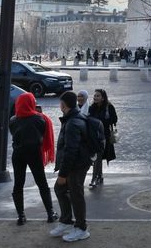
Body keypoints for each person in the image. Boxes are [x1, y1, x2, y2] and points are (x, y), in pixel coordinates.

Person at [9, 92, 58, 225]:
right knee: (42, 183)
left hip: (18, 154)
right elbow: (42, 132)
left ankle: (21, 216)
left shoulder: (13, 120)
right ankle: (50, 213)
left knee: (18, 184)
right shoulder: (40, 119)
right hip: (34, 153)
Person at [50, 91, 92, 242]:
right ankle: (66, 222)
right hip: (78, 163)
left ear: (63, 105)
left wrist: (63, 173)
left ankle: (81, 228)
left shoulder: (72, 122)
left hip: (76, 165)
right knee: (61, 189)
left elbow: (70, 150)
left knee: (76, 194)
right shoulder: (75, 117)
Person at [87, 89, 118, 188]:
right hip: (95, 136)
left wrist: (105, 120)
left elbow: (115, 119)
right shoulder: (92, 108)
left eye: (98, 96)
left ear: (103, 98)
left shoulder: (109, 107)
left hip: (105, 136)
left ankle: (95, 178)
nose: (95, 97)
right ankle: (98, 176)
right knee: (97, 157)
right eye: (95, 96)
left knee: (98, 157)